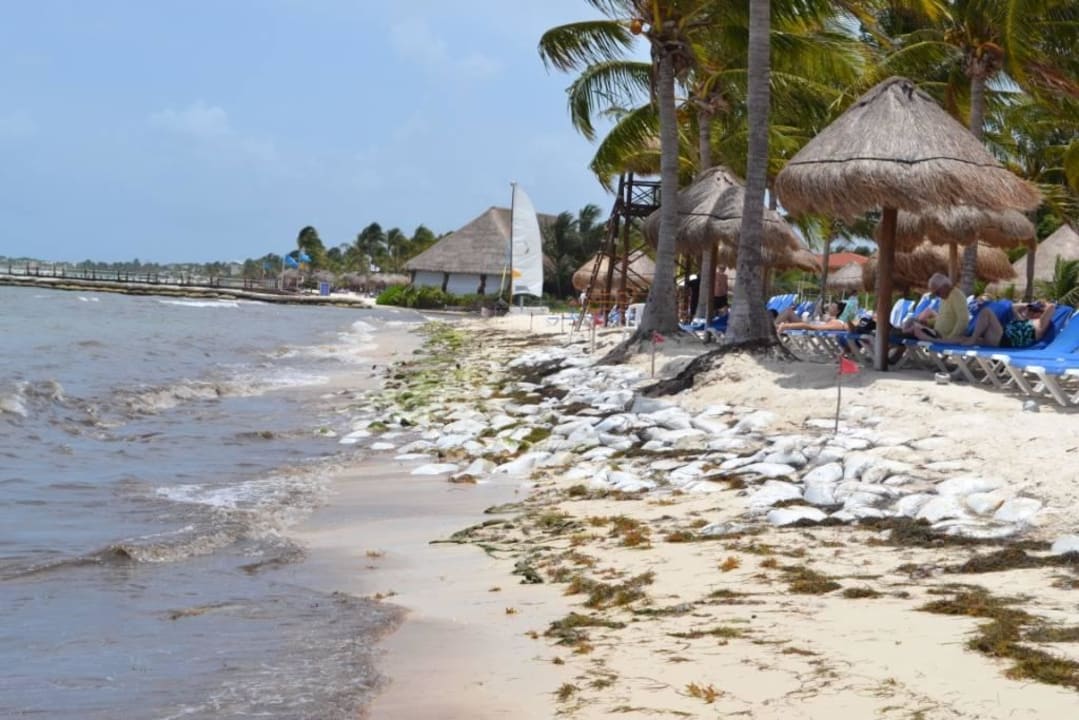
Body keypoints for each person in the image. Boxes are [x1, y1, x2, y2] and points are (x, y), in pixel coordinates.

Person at [959, 300, 1055, 348]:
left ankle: (973, 338)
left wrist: (1041, 305)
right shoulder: (1025, 321)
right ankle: (943, 341)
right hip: (998, 338)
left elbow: (1052, 306)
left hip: (1002, 339)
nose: (1031, 312)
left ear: (1041, 313)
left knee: (986, 311)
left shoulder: (1041, 324)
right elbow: (1012, 307)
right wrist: (1028, 305)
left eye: (1034, 311)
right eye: (1031, 310)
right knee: (962, 339)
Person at [908, 273, 970, 342]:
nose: (937, 295)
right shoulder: (944, 297)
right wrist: (927, 322)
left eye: (937, 292)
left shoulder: (957, 296)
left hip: (943, 337)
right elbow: (943, 318)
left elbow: (963, 320)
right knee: (910, 323)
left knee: (914, 329)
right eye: (935, 294)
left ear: (945, 286)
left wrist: (950, 338)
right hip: (936, 333)